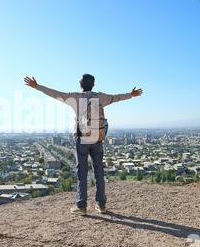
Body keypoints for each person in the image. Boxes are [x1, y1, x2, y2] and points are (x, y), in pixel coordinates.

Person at [24, 74, 143, 215]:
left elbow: (55, 94)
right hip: (97, 139)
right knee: (99, 172)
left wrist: (37, 86)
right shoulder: (101, 97)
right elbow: (117, 98)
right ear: (93, 84)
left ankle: (81, 206)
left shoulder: (75, 98)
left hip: (82, 139)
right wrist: (131, 94)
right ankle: (101, 205)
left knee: (82, 172)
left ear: (81, 84)